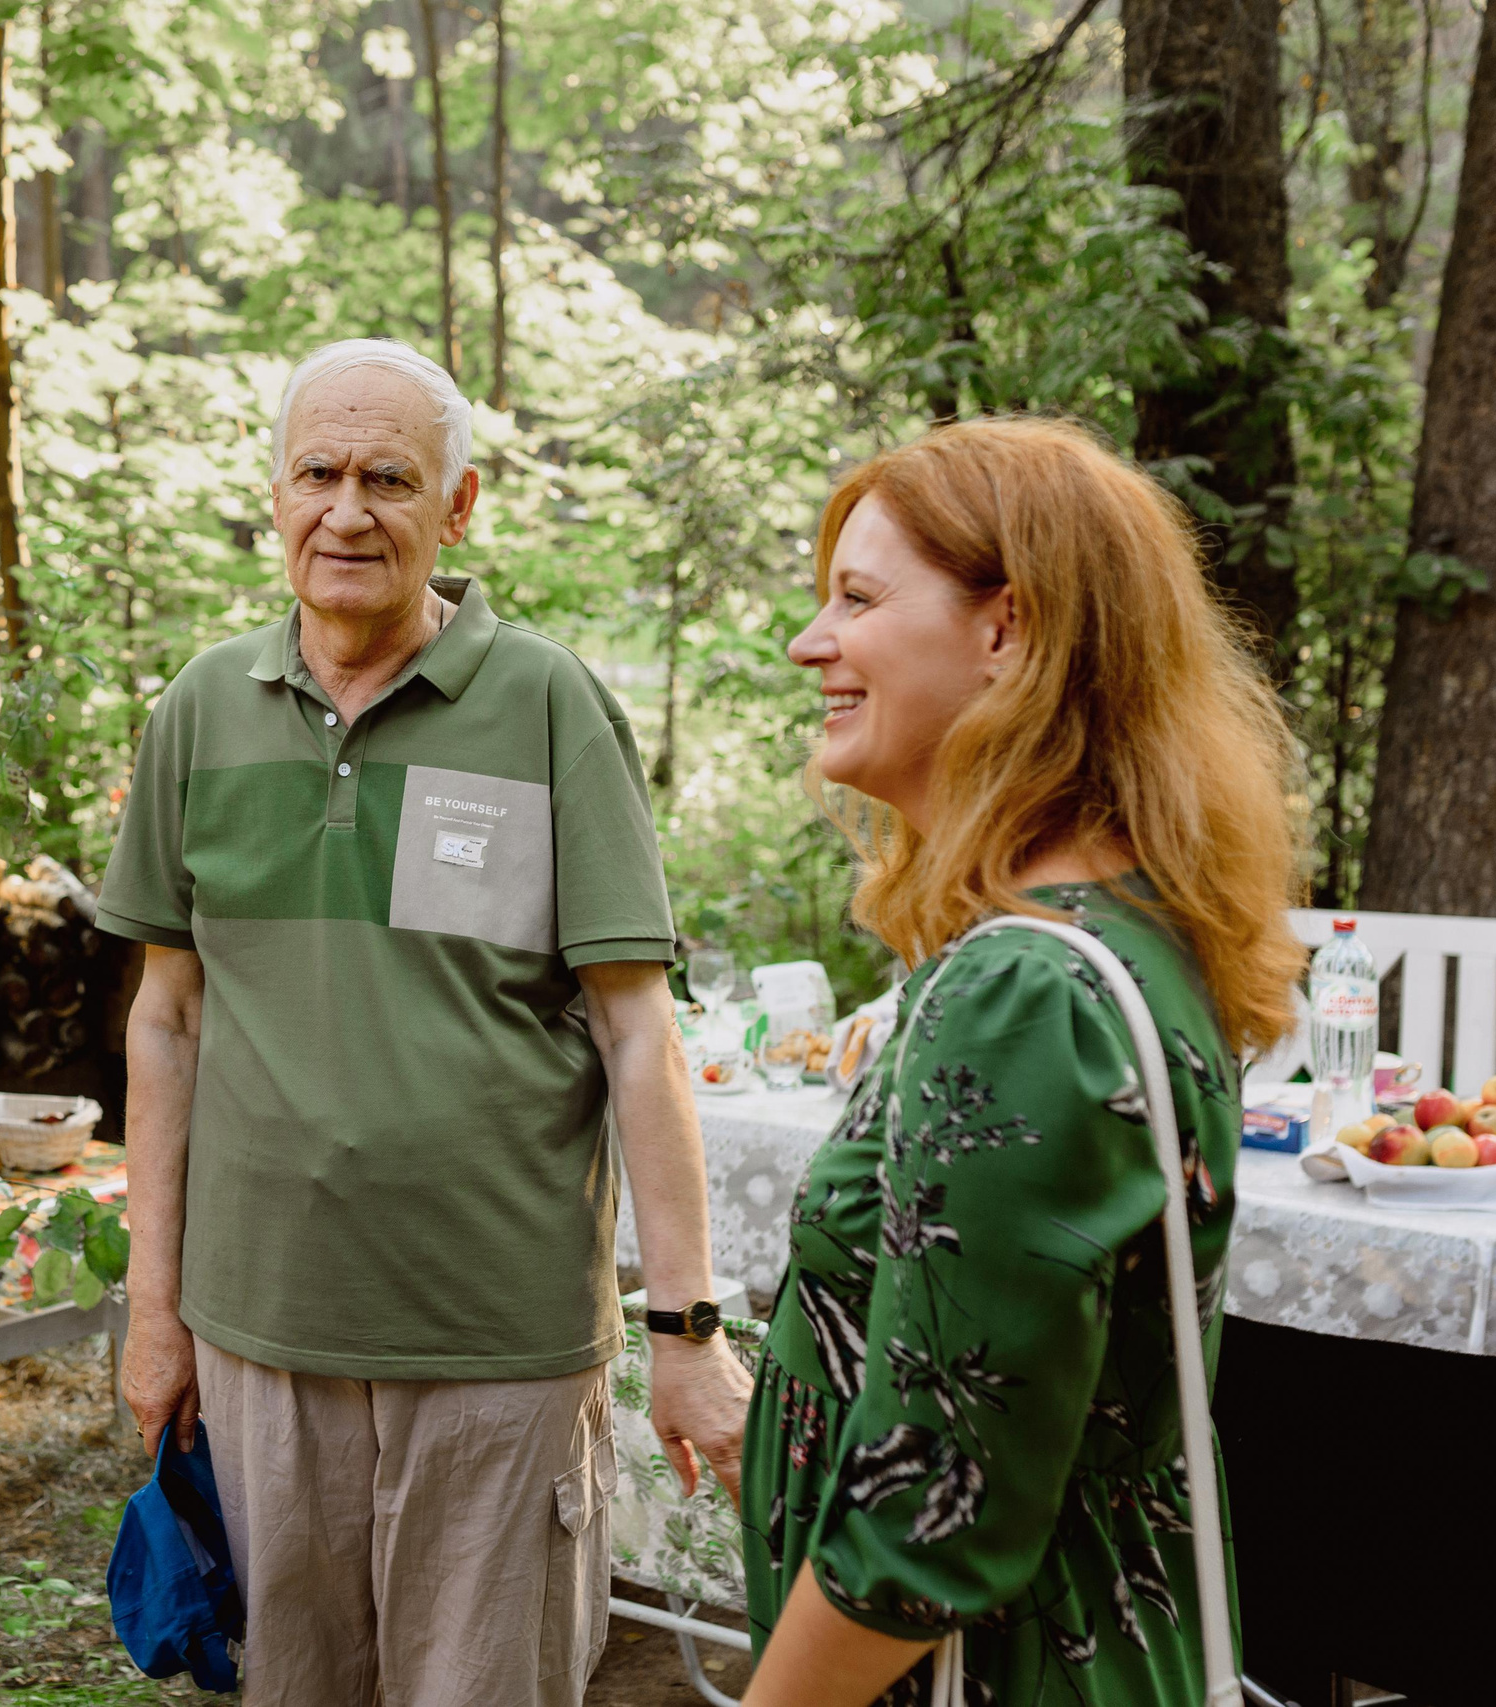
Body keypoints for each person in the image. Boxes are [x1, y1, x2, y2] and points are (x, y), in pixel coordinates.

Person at [98, 337, 753, 1706]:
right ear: (274, 494)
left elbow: (641, 1033)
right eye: (318, 473)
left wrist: (685, 1329)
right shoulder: (202, 709)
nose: (348, 509)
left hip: (496, 1348)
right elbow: (164, 1021)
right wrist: (154, 1306)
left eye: (388, 477)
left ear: (457, 508)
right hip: (260, 1337)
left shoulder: (549, 705)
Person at [741, 417, 1301, 1706]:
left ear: (1007, 631)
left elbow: (930, 1526)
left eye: (857, 599)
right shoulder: (1125, 924)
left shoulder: (1020, 990)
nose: (808, 642)